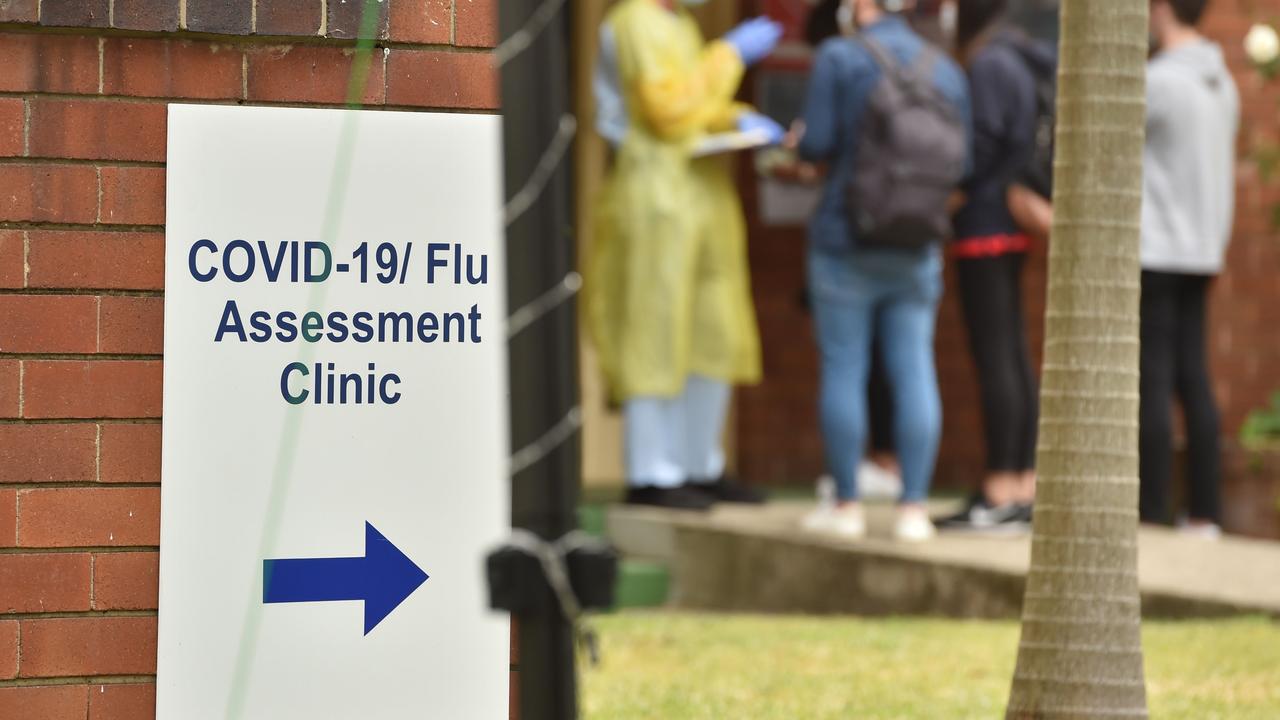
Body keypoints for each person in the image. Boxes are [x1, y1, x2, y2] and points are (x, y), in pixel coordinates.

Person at [587, 0, 785, 510]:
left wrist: (740, 118)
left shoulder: (683, 25)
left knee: (713, 328)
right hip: (655, 193)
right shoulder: (633, 21)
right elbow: (665, 109)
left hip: (702, 192)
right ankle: (651, 470)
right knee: (654, 327)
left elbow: (696, 106)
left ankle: (701, 464)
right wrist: (728, 55)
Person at [790, 0, 970, 541]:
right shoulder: (946, 68)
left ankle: (846, 504)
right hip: (917, 244)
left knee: (844, 367)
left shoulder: (839, 58)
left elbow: (817, 144)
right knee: (915, 368)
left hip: (845, 240)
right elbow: (964, 166)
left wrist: (798, 140)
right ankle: (913, 508)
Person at [936, 0, 1055, 533]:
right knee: (1012, 351)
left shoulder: (988, 63)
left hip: (983, 224)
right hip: (1010, 222)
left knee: (997, 356)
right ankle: (1022, 484)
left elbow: (981, 141)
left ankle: (1000, 488)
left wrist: (954, 191)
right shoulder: (1023, 58)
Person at [1139, 0, 1239, 538]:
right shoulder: (1223, 83)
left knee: (1152, 380)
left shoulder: (1157, 82)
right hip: (1202, 249)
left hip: (1156, 250)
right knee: (1193, 378)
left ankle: (1151, 511)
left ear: (1160, 10)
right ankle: (1205, 513)